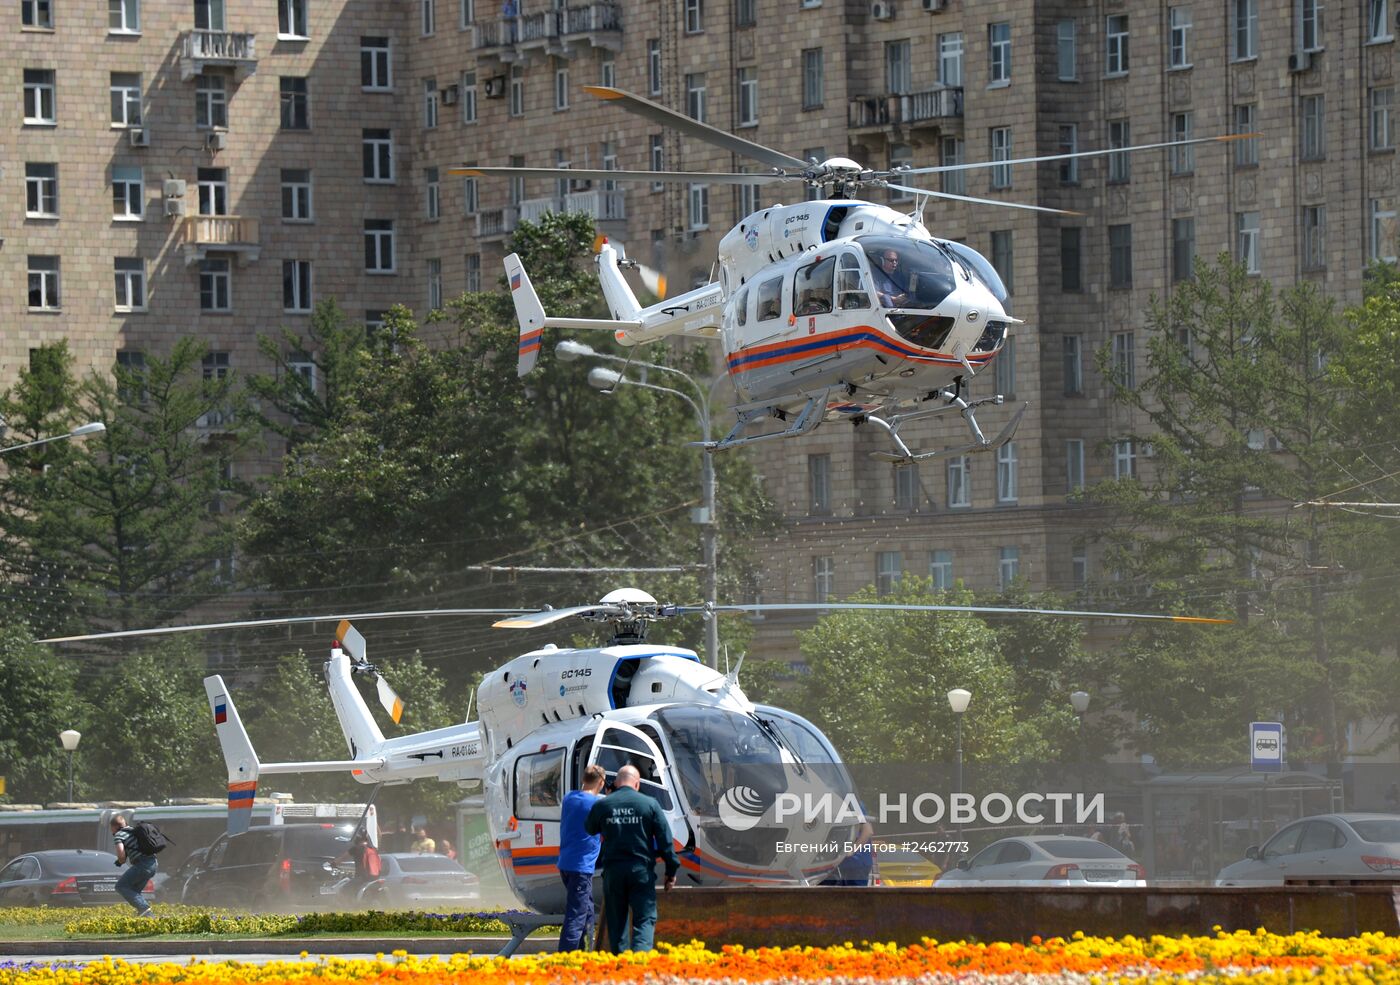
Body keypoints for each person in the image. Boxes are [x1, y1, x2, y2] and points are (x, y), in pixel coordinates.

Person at [584, 764, 679, 953]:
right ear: (636, 784)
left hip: (614, 873)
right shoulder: (650, 804)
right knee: (644, 919)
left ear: (617, 783)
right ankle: (639, 966)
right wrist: (671, 871)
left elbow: (590, 828)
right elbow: (665, 841)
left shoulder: (603, 805)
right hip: (641, 872)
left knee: (617, 923)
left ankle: (623, 970)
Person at [557, 764, 606, 951]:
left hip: (566, 864)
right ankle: (566, 958)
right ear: (601, 782)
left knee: (587, 912)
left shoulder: (569, 798)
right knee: (576, 916)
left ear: (583, 779)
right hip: (581, 867)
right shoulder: (596, 805)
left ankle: (586, 951)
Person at [109, 815, 156, 918]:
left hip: (142, 865)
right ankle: (144, 915)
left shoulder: (119, 835)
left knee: (121, 886)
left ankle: (145, 910)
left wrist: (121, 861)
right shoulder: (134, 831)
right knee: (134, 891)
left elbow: (121, 855)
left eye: (111, 828)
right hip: (153, 863)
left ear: (114, 827)